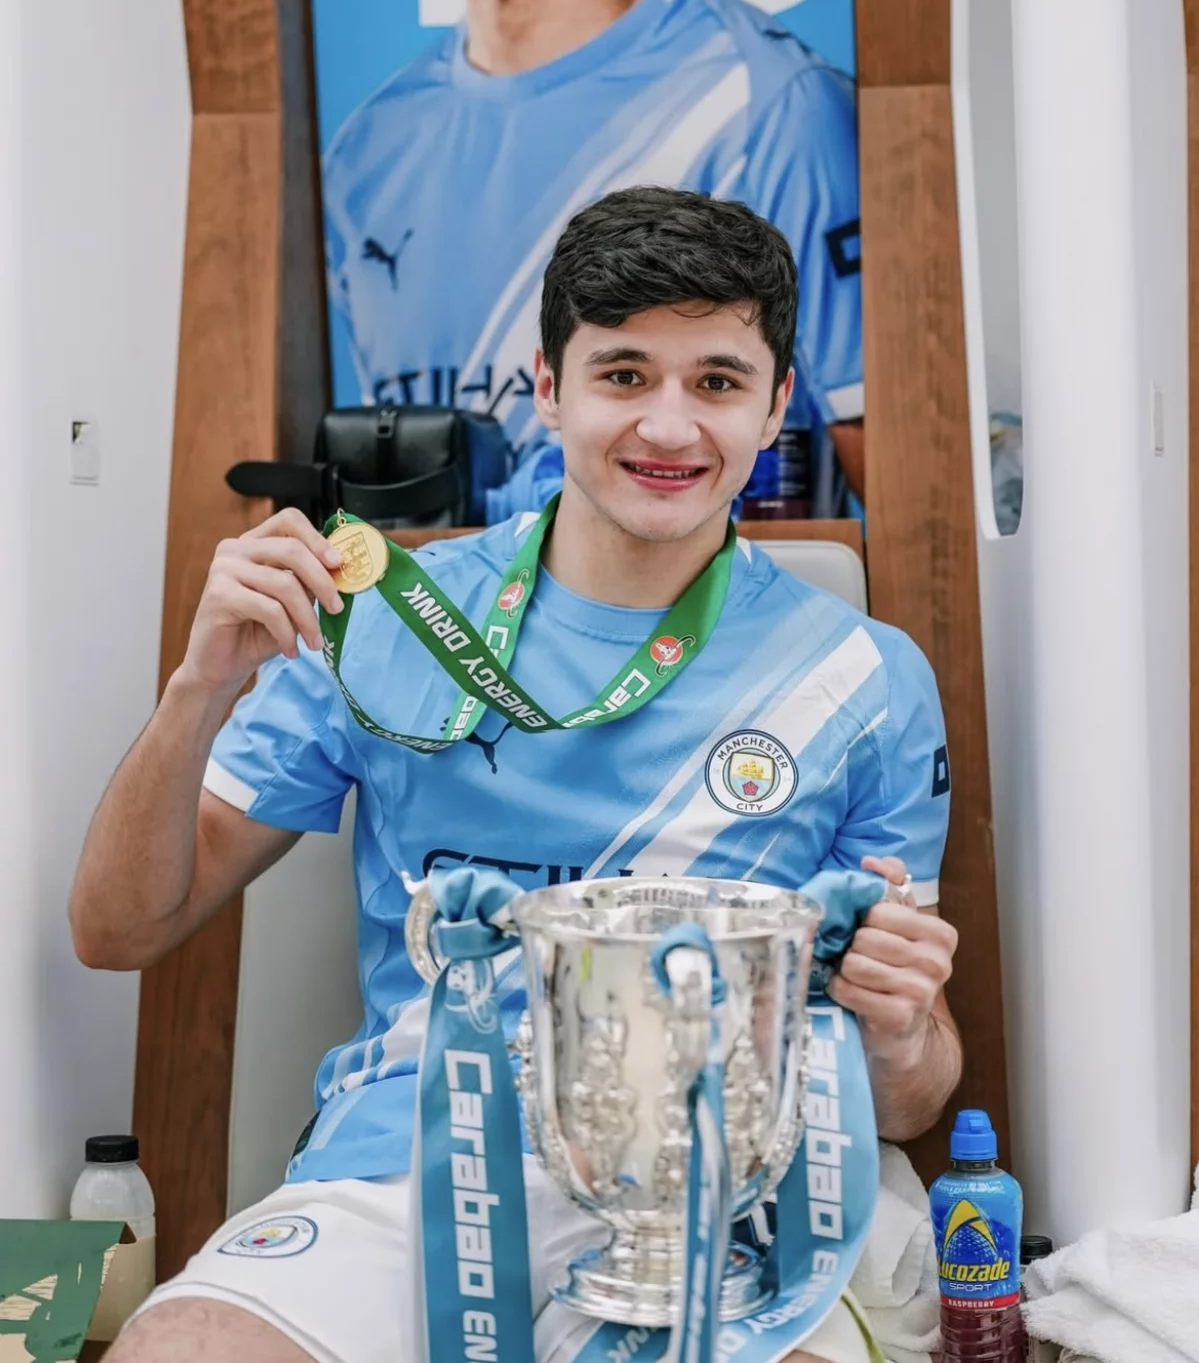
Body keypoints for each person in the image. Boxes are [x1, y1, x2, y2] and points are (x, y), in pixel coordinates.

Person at [70, 188, 958, 1363]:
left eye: (717, 381)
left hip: (719, 1207)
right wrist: (198, 689)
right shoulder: (386, 616)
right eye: (624, 374)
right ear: (548, 386)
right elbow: (117, 930)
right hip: (406, 1172)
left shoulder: (861, 677)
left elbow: (909, 1099)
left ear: (776, 402)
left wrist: (901, 1030)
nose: (670, 427)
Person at [321, 0, 866, 515]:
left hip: (710, 570)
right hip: (442, 574)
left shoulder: (773, 102)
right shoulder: (364, 151)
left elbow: (888, 484)